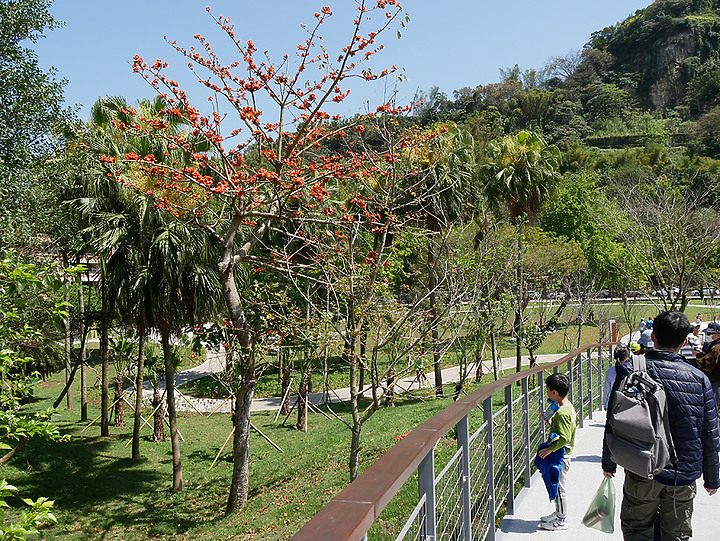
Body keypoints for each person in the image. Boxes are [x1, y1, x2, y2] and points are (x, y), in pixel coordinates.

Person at [602, 311, 720, 541]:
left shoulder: (631, 371)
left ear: (653, 336)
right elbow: (710, 433)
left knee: (637, 530)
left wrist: (609, 460)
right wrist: (712, 477)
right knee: (676, 534)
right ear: (685, 341)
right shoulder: (699, 378)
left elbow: (613, 420)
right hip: (683, 471)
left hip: (642, 463)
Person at [538, 373, 577, 531]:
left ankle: (562, 520)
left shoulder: (562, 414)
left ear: (554, 392)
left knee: (559, 487)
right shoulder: (566, 407)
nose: (546, 393)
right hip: (561, 454)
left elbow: (565, 438)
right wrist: (551, 422)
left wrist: (549, 449)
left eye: (547, 390)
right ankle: (559, 512)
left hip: (561, 455)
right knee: (557, 486)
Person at [693, 321, 720, 410]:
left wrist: (697, 356)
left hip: (715, 380)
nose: (707, 335)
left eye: (710, 333)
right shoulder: (713, 345)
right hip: (713, 379)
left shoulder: (717, 348)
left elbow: (708, 364)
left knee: (714, 406)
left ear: (718, 335)